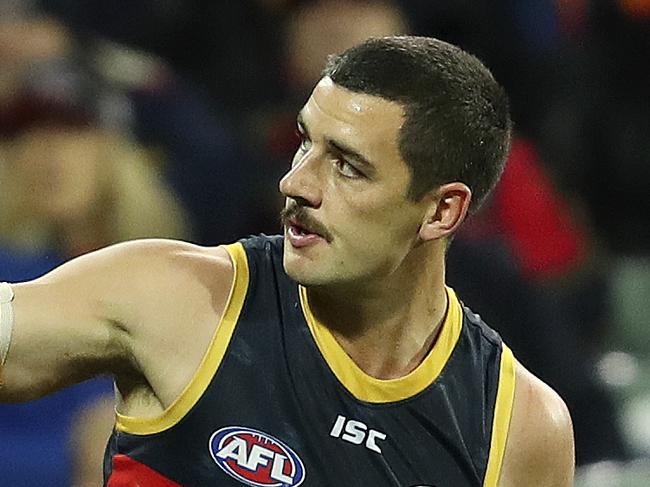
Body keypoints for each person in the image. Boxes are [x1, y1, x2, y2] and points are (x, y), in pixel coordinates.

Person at [0, 36, 574, 486]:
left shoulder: (517, 427)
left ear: (442, 212)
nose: (296, 182)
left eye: (347, 165)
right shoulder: (174, 296)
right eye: (305, 142)